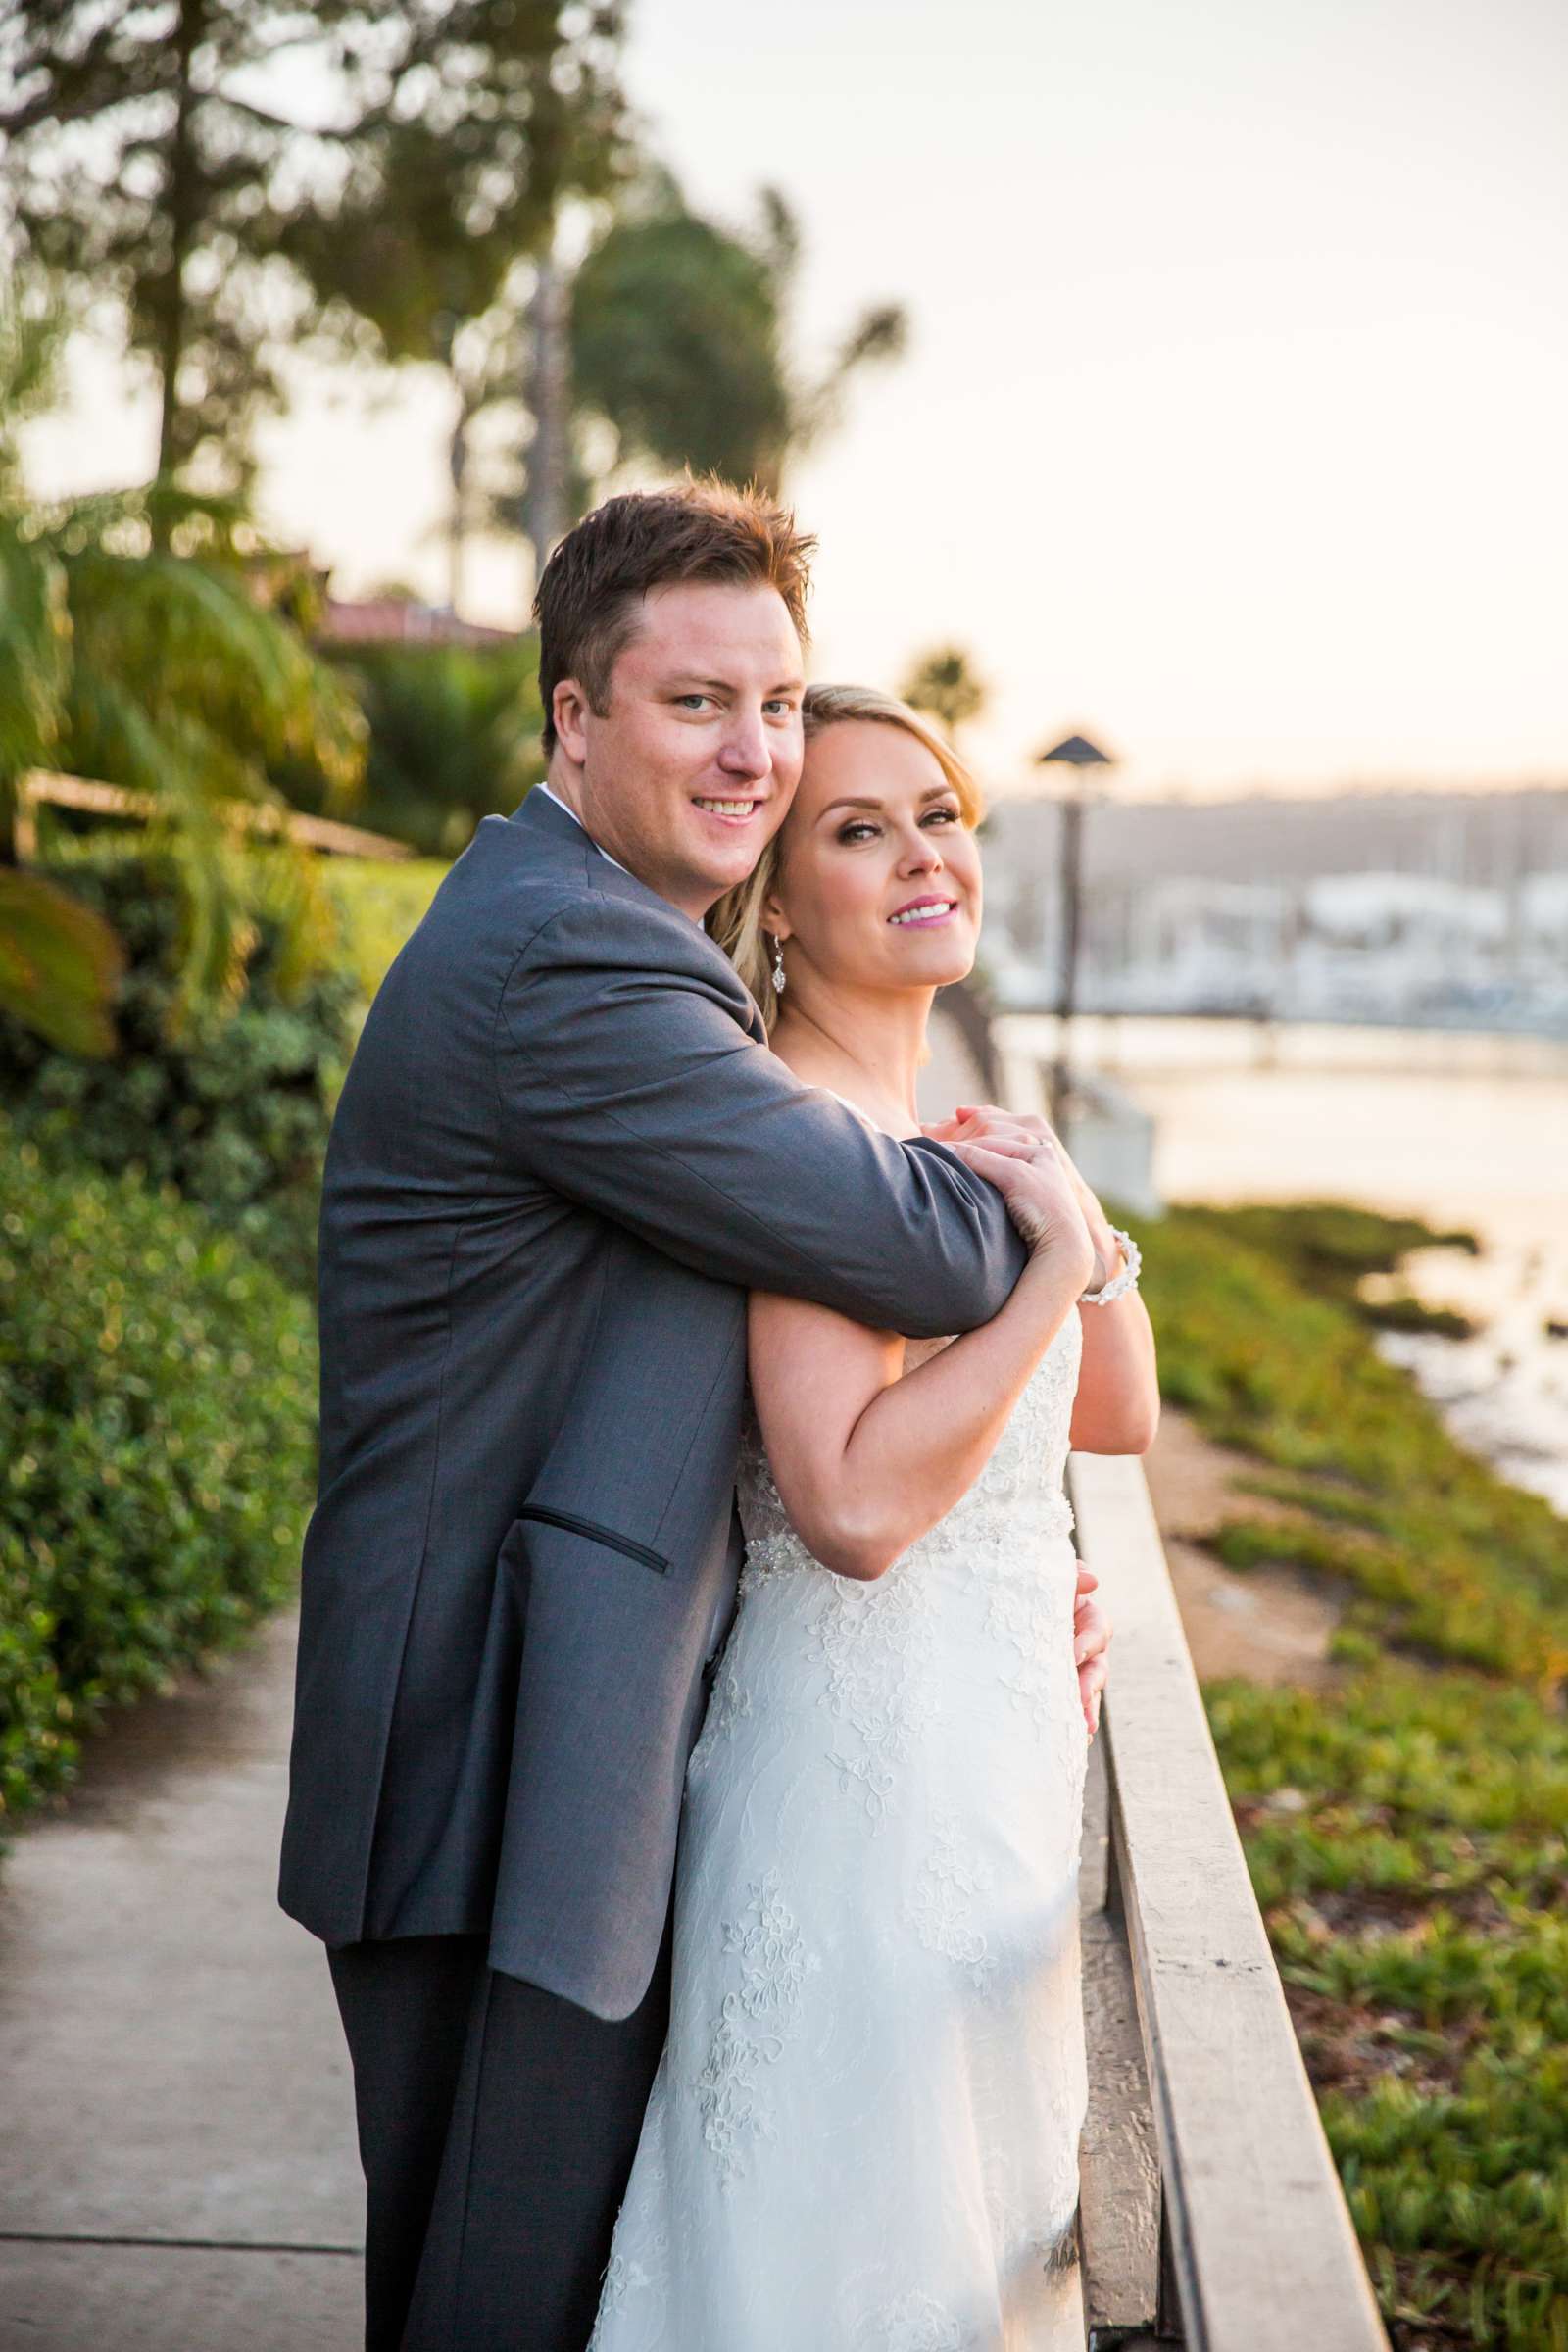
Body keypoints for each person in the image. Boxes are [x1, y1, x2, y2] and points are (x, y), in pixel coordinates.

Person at [276, 476, 1115, 2352]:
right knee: (491, 2300)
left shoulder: (601, 937)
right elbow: (897, 1232)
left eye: (779, 705)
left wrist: (996, 1573)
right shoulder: (575, 962)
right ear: (575, 719)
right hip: (494, 1743)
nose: (753, 752)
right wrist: (1066, 1234)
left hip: (559, 1724)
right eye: (695, 704)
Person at [586, 682, 1158, 2351]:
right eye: (858, 827)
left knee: (978, 2248)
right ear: (780, 898)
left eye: (940, 813)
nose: (924, 855)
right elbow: (844, 1498)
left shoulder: (956, 1133)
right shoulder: (802, 1137)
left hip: (997, 1774)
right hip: (857, 1795)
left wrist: (1081, 1228)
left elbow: (1111, 1415)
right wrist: (1053, 1266)